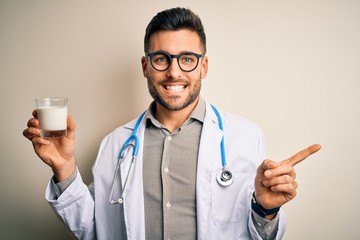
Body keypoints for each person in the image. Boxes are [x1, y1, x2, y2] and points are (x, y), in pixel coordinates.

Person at [23, 7, 321, 240]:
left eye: (187, 59)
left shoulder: (244, 136)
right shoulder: (115, 144)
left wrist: (265, 209)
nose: (174, 72)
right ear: (145, 66)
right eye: (162, 59)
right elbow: (94, 230)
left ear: (203, 66)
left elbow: (260, 236)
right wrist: (63, 170)